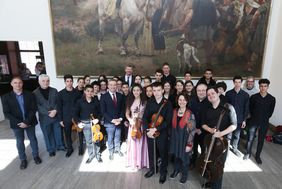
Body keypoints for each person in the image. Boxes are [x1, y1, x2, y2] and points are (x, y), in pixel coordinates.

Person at [2, 76, 42, 169]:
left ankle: (36, 156)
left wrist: (26, 122)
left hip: (30, 121)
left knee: (33, 139)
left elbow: (33, 108)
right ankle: (23, 159)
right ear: (11, 84)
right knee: (20, 141)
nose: (18, 84)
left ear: (22, 83)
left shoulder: (30, 94)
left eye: (19, 82)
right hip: (16, 124)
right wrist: (19, 123)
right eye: (15, 83)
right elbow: (7, 113)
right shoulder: (5, 97)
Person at [201, 86, 237, 189]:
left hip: (223, 142)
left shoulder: (228, 107)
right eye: (208, 95)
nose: (210, 96)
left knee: (218, 166)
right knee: (210, 162)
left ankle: (217, 187)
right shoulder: (206, 108)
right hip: (209, 140)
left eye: (212, 93)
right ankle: (211, 182)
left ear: (218, 93)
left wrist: (221, 133)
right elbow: (203, 124)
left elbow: (234, 125)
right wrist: (211, 130)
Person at [143, 82, 173, 184]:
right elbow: (145, 118)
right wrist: (148, 129)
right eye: (154, 90)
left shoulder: (168, 103)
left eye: (158, 90)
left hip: (162, 132)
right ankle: (152, 169)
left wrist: (156, 129)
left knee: (163, 153)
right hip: (150, 132)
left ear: (163, 90)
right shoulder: (150, 102)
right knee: (151, 151)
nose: (156, 93)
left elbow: (168, 121)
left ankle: (163, 172)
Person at [243, 79, 276, 164]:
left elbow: (270, 112)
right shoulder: (254, 97)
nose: (263, 88)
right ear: (259, 86)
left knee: (261, 140)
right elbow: (250, 108)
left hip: (264, 122)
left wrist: (264, 118)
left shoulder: (272, 99)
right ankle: (248, 153)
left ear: (268, 87)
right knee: (250, 138)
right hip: (253, 120)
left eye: (265, 86)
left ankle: (258, 156)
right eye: (261, 86)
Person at [33, 74, 65, 157]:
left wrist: (55, 110)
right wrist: (48, 113)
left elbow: (58, 102)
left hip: (55, 115)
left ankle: (60, 146)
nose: (45, 82)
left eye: (47, 81)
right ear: (39, 82)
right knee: (47, 134)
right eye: (43, 81)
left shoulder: (54, 90)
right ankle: (51, 149)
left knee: (58, 132)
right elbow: (37, 106)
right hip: (44, 118)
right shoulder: (35, 93)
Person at [169, 93, 196, 184]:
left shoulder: (190, 113)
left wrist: (189, 144)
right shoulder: (174, 111)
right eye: (180, 100)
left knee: (185, 159)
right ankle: (176, 171)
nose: (182, 102)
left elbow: (192, 130)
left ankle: (184, 175)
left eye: (184, 100)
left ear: (187, 101)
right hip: (175, 139)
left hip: (185, 139)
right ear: (177, 101)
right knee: (176, 156)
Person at [74, 85, 102, 163]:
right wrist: (79, 122)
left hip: (94, 124)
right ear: (85, 91)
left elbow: (100, 112)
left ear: (93, 92)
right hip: (85, 124)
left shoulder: (96, 101)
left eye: (91, 91)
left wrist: (98, 119)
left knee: (97, 139)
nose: (90, 93)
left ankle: (98, 154)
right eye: (88, 91)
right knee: (89, 141)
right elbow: (75, 114)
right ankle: (91, 155)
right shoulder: (79, 101)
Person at [100, 79, 125, 160]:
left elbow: (122, 109)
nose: (113, 86)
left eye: (115, 85)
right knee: (110, 137)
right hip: (109, 122)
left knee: (118, 136)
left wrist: (120, 119)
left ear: (116, 86)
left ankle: (117, 149)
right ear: (108, 86)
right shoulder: (103, 96)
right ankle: (111, 151)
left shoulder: (120, 96)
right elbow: (103, 112)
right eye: (111, 85)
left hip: (119, 122)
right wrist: (112, 120)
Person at [125, 84, 149, 169]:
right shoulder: (129, 101)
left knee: (141, 143)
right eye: (134, 90)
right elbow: (127, 114)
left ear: (141, 91)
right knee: (133, 143)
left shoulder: (145, 102)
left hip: (141, 125)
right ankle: (134, 162)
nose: (136, 92)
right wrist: (130, 120)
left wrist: (141, 119)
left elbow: (146, 114)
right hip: (133, 125)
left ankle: (141, 162)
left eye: (138, 90)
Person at [58, 74, 82, 157]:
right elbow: (59, 107)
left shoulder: (77, 93)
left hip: (76, 117)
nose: (69, 83)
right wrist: (60, 119)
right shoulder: (60, 93)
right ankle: (69, 149)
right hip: (66, 118)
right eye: (67, 81)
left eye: (71, 81)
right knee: (67, 134)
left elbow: (80, 106)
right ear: (65, 82)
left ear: (73, 82)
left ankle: (81, 148)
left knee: (80, 133)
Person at [225, 76, 249, 157]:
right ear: (233, 82)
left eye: (239, 82)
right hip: (229, 119)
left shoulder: (245, 95)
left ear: (241, 83)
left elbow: (246, 109)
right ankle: (226, 149)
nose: (237, 84)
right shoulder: (228, 93)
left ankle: (234, 149)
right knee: (228, 135)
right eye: (236, 82)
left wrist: (244, 120)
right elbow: (226, 107)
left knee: (236, 135)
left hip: (239, 119)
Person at [189, 83, 210, 168]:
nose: (201, 92)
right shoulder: (192, 100)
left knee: (204, 149)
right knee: (193, 148)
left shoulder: (210, 102)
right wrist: (193, 128)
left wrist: (201, 129)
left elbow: (210, 118)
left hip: (204, 132)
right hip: (193, 130)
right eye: (199, 90)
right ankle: (193, 162)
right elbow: (189, 114)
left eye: (203, 90)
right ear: (196, 91)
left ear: (206, 91)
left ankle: (202, 165)